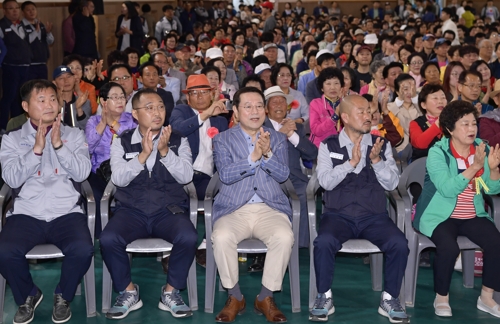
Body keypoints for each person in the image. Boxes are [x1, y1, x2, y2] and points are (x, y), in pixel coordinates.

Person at [0, 79, 94, 324]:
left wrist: (59, 146)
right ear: (25, 106)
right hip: (26, 213)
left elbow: (83, 173)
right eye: (41, 100)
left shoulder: (74, 135)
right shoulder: (11, 139)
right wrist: (36, 151)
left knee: (83, 249)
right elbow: (10, 178)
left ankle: (63, 294)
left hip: (66, 212)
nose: (49, 105)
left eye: (53, 99)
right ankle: (29, 294)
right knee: (5, 252)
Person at [100, 88, 197, 319]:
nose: (157, 112)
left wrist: (165, 152)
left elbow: (186, 177)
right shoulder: (121, 141)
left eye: (161, 107)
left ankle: (171, 292)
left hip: (168, 210)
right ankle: (128, 291)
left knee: (189, 236)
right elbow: (118, 179)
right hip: (131, 210)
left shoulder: (177, 140)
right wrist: (142, 156)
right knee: (108, 239)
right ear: (135, 114)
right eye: (150, 107)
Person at [311, 95, 408, 323]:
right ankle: (324, 296)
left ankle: (390, 298)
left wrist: (376, 162)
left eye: (369, 111)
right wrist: (350, 164)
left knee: (399, 243)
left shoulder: (381, 145)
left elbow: (393, 184)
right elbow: (324, 182)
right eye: (361, 112)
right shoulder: (328, 145)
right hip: (338, 215)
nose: (368, 116)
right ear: (345, 117)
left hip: (373, 217)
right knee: (323, 242)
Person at [211, 87, 294, 323]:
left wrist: (267, 154)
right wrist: (253, 158)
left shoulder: (277, 139)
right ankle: (235, 296)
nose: (254, 111)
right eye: (247, 106)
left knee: (284, 236)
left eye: (259, 106)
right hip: (234, 208)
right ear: (235, 111)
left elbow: (283, 176)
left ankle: (265, 297)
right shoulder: (222, 139)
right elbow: (225, 175)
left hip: (270, 207)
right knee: (223, 236)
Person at [413, 100, 500, 319]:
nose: (472, 129)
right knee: (449, 248)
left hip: (472, 214)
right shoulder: (438, 152)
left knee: (497, 243)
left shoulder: (482, 147)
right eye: (465, 124)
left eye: (473, 123)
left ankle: (487, 297)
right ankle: (441, 297)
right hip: (440, 216)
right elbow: (447, 189)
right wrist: (475, 167)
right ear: (450, 129)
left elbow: (491, 188)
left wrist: (494, 169)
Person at [85, 82, 137, 237]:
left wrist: (114, 124)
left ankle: (130, 229)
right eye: (114, 97)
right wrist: (103, 123)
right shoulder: (93, 121)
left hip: (127, 169)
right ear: (103, 101)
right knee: (94, 194)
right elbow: (88, 148)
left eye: (122, 97)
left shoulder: (132, 119)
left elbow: (134, 143)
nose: (120, 101)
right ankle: (103, 236)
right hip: (100, 172)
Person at [0, 0, 32, 132]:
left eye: (17, 8)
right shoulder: (2, 26)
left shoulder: (23, 25)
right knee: (9, 97)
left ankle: (17, 127)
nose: (15, 11)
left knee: (21, 97)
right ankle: (2, 127)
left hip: (25, 66)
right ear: (4, 11)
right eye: (11, 8)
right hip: (10, 67)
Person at [409, 84, 446, 161]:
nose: (440, 101)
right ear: (423, 105)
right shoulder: (415, 123)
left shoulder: (452, 121)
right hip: (422, 167)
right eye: (435, 98)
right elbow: (420, 144)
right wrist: (437, 123)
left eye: (443, 98)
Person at [386, 73, 421, 153]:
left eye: (412, 88)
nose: (410, 92)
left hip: (420, 149)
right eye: (405, 89)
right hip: (399, 151)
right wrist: (400, 100)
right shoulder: (390, 106)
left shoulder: (422, 106)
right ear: (397, 92)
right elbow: (387, 118)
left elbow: (425, 118)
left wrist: (415, 99)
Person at [309, 67, 344, 147]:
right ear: (322, 88)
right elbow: (316, 130)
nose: (332, 87)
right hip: (321, 147)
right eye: (328, 84)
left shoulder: (346, 103)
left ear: (341, 86)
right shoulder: (315, 104)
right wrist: (334, 118)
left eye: (336, 83)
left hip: (341, 146)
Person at [21, 1, 53, 80]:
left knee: (43, 87)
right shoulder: (21, 26)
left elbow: (50, 41)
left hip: (42, 63)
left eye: (33, 9)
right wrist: (35, 31)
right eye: (28, 10)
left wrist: (48, 33)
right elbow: (25, 42)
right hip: (29, 64)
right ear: (23, 13)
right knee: (31, 88)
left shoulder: (40, 24)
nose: (31, 12)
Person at [52, 65, 91, 130]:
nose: (66, 81)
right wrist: (59, 108)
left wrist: (79, 109)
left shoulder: (84, 102)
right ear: (54, 83)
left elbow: (87, 129)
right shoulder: (50, 104)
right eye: (61, 78)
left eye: (69, 77)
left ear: (74, 79)